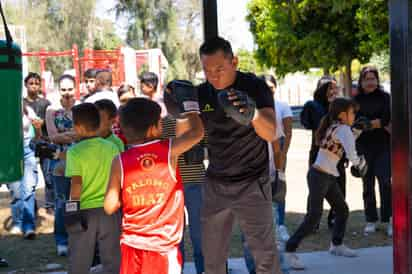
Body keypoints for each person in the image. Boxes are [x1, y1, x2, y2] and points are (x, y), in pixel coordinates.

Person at [195, 37, 282, 274]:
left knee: (265, 257)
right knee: (212, 259)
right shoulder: (202, 93)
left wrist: (253, 114)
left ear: (234, 62)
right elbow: (190, 133)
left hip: (252, 182)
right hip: (216, 183)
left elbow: (271, 132)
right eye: (207, 70)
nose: (213, 76)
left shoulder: (254, 87)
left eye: (219, 69)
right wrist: (181, 109)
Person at [104, 97, 204, 274]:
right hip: (163, 247)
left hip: (131, 245)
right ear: (153, 128)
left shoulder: (119, 161)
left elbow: (110, 206)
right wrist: (190, 107)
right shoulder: (169, 150)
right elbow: (196, 133)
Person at [285, 98, 365, 269]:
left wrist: (356, 132)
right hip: (320, 177)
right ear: (343, 115)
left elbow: (344, 143)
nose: (354, 115)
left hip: (324, 176)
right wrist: (361, 163)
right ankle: (289, 250)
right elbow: (352, 155)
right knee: (314, 217)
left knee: (342, 210)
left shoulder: (337, 127)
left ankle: (336, 245)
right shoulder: (343, 129)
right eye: (352, 113)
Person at [65, 103, 121, 274]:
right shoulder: (111, 147)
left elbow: (76, 184)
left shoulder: (74, 152)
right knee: (113, 259)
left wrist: (71, 211)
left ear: (79, 127)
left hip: (84, 212)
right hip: (110, 210)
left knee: (79, 259)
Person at [160, 81, 206, 274]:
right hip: (175, 185)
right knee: (179, 235)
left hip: (190, 183)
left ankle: (202, 269)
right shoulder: (167, 123)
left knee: (198, 235)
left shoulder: (197, 121)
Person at [300, 76, 345, 231]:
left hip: (338, 155)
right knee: (316, 189)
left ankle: (335, 219)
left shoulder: (342, 107)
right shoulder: (312, 106)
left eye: (334, 87)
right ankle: (313, 222)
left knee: (339, 187)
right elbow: (308, 124)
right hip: (318, 153)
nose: (331, 91)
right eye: (327, 87)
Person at [354, 66, 392, 236]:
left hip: (383, 145)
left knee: (385, 182)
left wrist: (368, 124)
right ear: (361, 81)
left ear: (377, 80)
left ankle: (389, 219)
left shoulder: (386, 97)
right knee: (367, 183)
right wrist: (372, 123)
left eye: (372, 79)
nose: (370, 82)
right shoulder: (355, 99)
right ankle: (371, 220)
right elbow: (355, 122)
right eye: (366, 79)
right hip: (363, 147)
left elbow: (385, 119)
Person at [45, 74, 77, 256]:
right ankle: (61, 240)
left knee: (78, 198)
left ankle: (77, 237)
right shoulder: (51, 110)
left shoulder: (81, 108)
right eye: (63, 89)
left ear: (75, 88)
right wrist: (73, 133)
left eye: (69, 89)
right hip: (59, 161)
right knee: (61, 201)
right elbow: (53, 136)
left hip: (81, 159)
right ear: (59, 90)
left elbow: (84, 133)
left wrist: (65, 133)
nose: (66, 93)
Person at [7, 102, 42, 239]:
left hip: (28, 149)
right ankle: (17, 222)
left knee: (28, 189)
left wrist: (38, 128)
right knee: (16, 191)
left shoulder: (27, 108)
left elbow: (38, 136)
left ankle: (28, 226)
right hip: (10, 152)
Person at [23, 72, 52, 207]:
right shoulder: (21, 104)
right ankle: (31, 205)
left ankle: (50, 204)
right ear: (26, 85)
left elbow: (50, 121)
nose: (34, 86)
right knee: (29, 179)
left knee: (48, 175)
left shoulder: (45, 103)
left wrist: (42, 124)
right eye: (31, 83)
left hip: (44, 142)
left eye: (36, 83)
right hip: (28, 144)